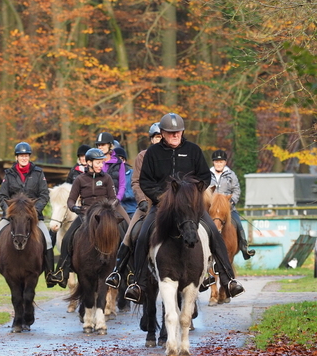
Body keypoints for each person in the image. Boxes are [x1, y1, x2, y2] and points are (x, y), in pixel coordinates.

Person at [123, 113, 245, 303]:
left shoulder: (193, 150)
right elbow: (145, 182)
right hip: (162, 206)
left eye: (178, 132)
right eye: (171, 132)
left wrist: (194, 194)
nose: (175, 135)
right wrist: (162, 198)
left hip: (190, 206)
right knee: (142, 232)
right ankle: (138, 284)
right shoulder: (153, 154)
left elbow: (205, 177)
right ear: (162, 133)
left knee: (213, 231)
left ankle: (228, 279)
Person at [0, 142, 55, 285]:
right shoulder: (9, 174)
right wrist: (9, 212)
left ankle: (50, 274)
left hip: (33, 216)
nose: (24, 158)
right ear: (17, 157)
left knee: (48, 239)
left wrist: (34, 211)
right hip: (12, 216)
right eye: (21, 156)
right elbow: (2, 196)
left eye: (26, 155)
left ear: (29, 157)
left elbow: (44, 195)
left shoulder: (38, 173)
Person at [50, 148, 130, 287]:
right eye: (98, 162)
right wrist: (74, 208)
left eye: (101, 162)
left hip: (104, 215)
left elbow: (113, 198)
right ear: (89, 163)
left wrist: (108, 208)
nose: (101, 165)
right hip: (85, 215)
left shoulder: (107, 178)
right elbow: (70, 200)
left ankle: (130, 272)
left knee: (124, 236)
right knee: (67, 238)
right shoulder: (80, 179)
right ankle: (62, 270)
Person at [105, 122, 162, 289]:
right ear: (152, 139)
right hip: (148, 203)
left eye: (161, 136)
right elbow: (136, 182)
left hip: (171, 204)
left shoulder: (174, 155)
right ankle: (120, 272)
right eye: (156, 137)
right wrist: (142, 200)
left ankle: (211, 273)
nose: (159, 140)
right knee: (131, 233)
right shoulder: (142, 156)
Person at [210, 149, 255, 261]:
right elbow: (205, 191)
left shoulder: (231, 175)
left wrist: (231, 202)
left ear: (225, 162)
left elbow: (236, 190)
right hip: (212, 209)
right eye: (216, 162)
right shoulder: (208, 175)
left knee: (238, 224)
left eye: (221, 162)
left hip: (228, 208)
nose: (219, 164)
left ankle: (244, 248)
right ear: (213, 163)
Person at [94, 132, 126, 201]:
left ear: (110, 146)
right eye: (98, 145)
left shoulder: (119, 163)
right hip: (97, 202)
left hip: (114, 201)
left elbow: (122, 185)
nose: (100, 147)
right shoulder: (93, 163)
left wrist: (117, 199)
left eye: (103, 145)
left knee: (123, 212)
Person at [114, 147, 137, 217]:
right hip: (115, 210)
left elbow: (135, 191)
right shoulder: (111, 175)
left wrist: (122, 195)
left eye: (119, 159)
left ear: (123, 160)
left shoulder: (132, 174)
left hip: (131, 210)